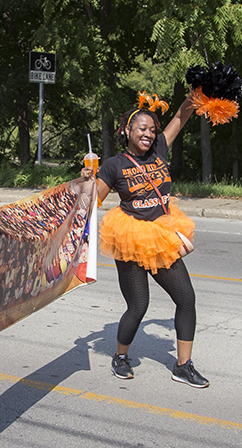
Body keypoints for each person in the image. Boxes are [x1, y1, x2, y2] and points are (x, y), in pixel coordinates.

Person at [82, 93, 209, 388]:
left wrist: (195, 96)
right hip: (130, 237)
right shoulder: (114, 165)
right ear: (127, 131)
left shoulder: (160, 148)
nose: (149, 134)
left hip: (162, 236)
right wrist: (87, 179)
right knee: (139, 306)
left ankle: (183, 365)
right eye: (142, 129)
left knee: (186, 299)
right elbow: (92, 203)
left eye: (152, 130)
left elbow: (180, 117)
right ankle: (121, 356)